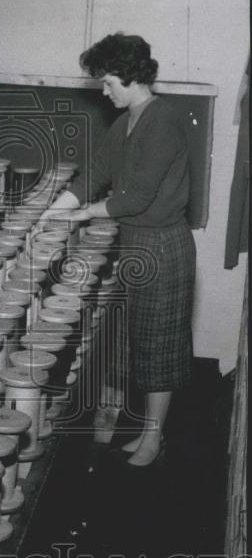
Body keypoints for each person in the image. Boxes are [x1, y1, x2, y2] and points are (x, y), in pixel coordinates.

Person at [44, 33, 195, 467]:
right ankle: (148, 432)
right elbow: (95, 173)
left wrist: (80, 215)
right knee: (138, 345)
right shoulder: (125, 120)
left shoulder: (162, 120)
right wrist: (53, 213)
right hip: (135, 242)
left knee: (159, 346)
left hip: (163, 246)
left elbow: (137, 196)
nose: (103, 91)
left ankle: (153, 438)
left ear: (130, 76)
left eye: (108, 82)